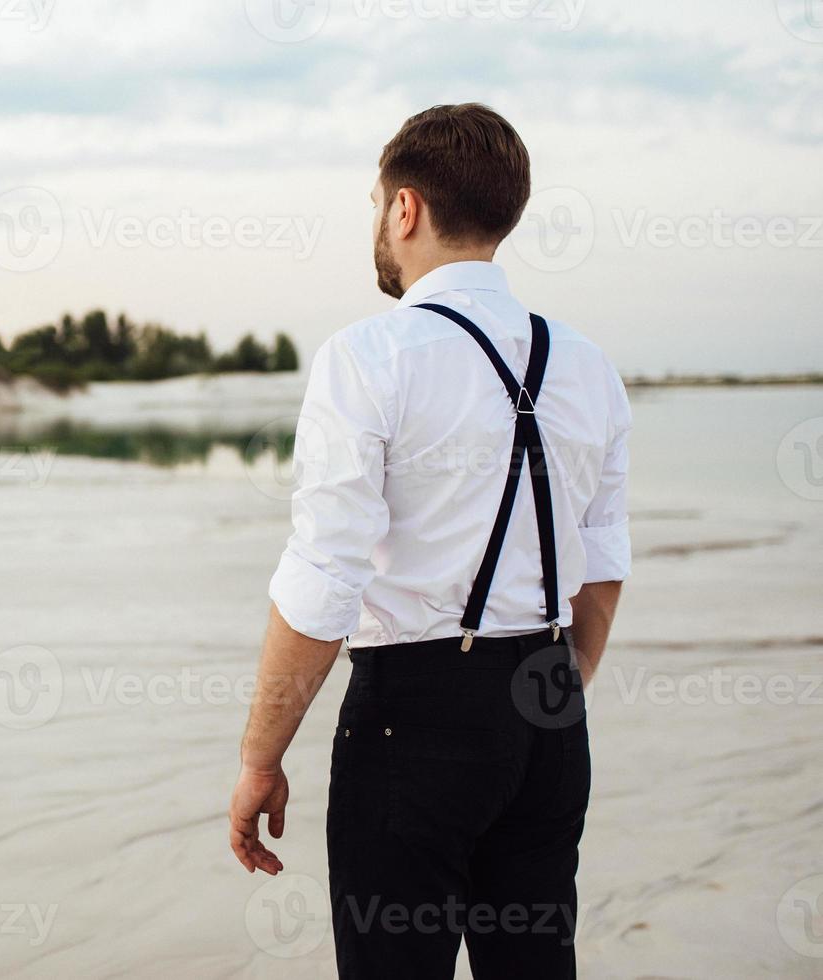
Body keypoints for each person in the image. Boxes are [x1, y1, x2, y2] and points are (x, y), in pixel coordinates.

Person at [227, 104, 630, 978]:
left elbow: (324, 576)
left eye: (378, 205)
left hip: (416, 719)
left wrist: (261, 757)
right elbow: (601, 565)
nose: (379, 223)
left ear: (405, 209)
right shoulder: (589, 367)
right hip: (551, 710)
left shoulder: (367, 357)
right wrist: (555, 693)